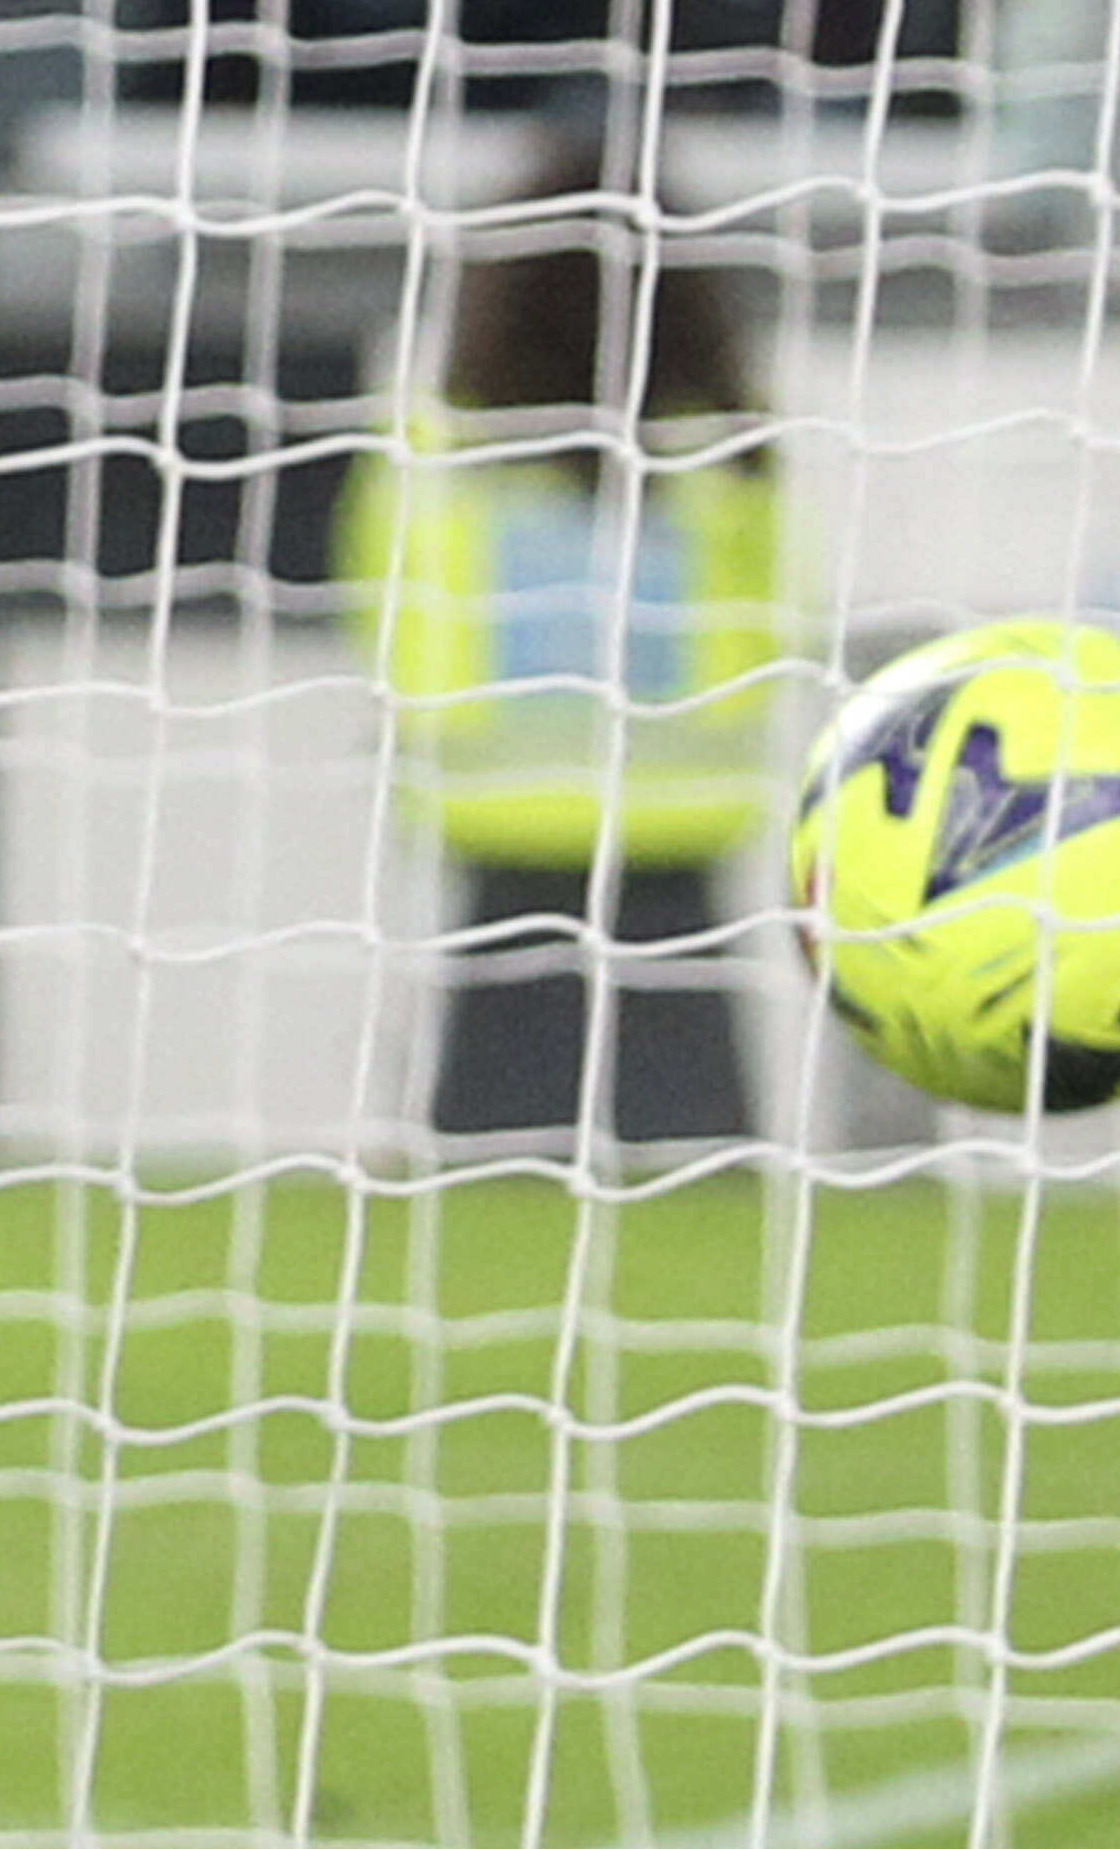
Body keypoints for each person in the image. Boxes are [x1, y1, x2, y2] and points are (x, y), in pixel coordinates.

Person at [338, 195, 801, 1150]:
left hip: (501, 838)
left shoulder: (428, 455)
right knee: (694, 1176)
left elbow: (375, 612)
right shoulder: (735, 455)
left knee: (482, 1188)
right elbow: (783, 619)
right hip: (676, 843)